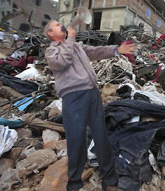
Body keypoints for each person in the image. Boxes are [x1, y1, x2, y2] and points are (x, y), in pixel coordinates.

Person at [44, 20, 136, 191]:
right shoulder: (52, 51)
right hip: (73, 97)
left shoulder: (77, 46)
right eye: (57, 25)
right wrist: (70, 40)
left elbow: (95, 51)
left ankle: (110, 181)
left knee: (101, 137)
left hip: (92, 93)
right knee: (76, 141)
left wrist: (116, 49)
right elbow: (62, 62)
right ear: (50, 34)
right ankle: (74, 185)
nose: (61, 25)